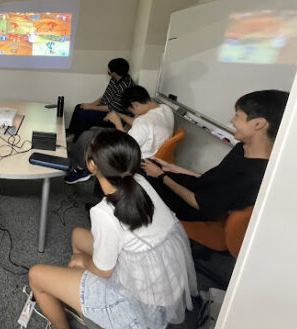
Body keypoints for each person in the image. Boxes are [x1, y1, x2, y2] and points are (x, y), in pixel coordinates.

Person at [29, 130, 196, 329]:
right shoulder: (141, 181)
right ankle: (81, 297)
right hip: (158, 281)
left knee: (36, 275)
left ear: (92, 165)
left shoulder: (103, 212)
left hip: (140, 306)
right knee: (77, 235)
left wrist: (83, 261)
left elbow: (103, 271)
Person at [142, 90, 289, 221]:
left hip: (191, 206)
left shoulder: (253, 176)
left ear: (258, 124)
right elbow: (212, 179)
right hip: (196, 188)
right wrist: (171, 167)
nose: (232, 121)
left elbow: (200, 204)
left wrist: (161, 176)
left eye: (237, 116)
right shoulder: (242, 148)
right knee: (145, 165)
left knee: (138, 178)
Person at [66, 85, 174, 184]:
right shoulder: (164, 109)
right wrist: (119, 115)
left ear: (135, 105)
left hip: (134, 158)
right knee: (94, 130)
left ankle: (82, 170)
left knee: (87, 136)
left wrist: (117, 122)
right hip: (149, 152)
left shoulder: (143, 123)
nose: (133, 114)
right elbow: (138, 123)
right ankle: (83, 165)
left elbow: (126, 145)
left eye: (131, 111)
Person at [67, 58, 135, 141]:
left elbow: (111, 108)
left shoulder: (125, 87)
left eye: (109, 69)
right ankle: (72, 133)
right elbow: (105, 96)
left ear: (114, 72)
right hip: (106, 108)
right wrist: (90, 105)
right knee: (79, 107)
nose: (107, 70)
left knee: (84, 114)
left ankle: (78, 140)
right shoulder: (114, 78)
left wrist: (90, 107)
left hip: (114, 115)